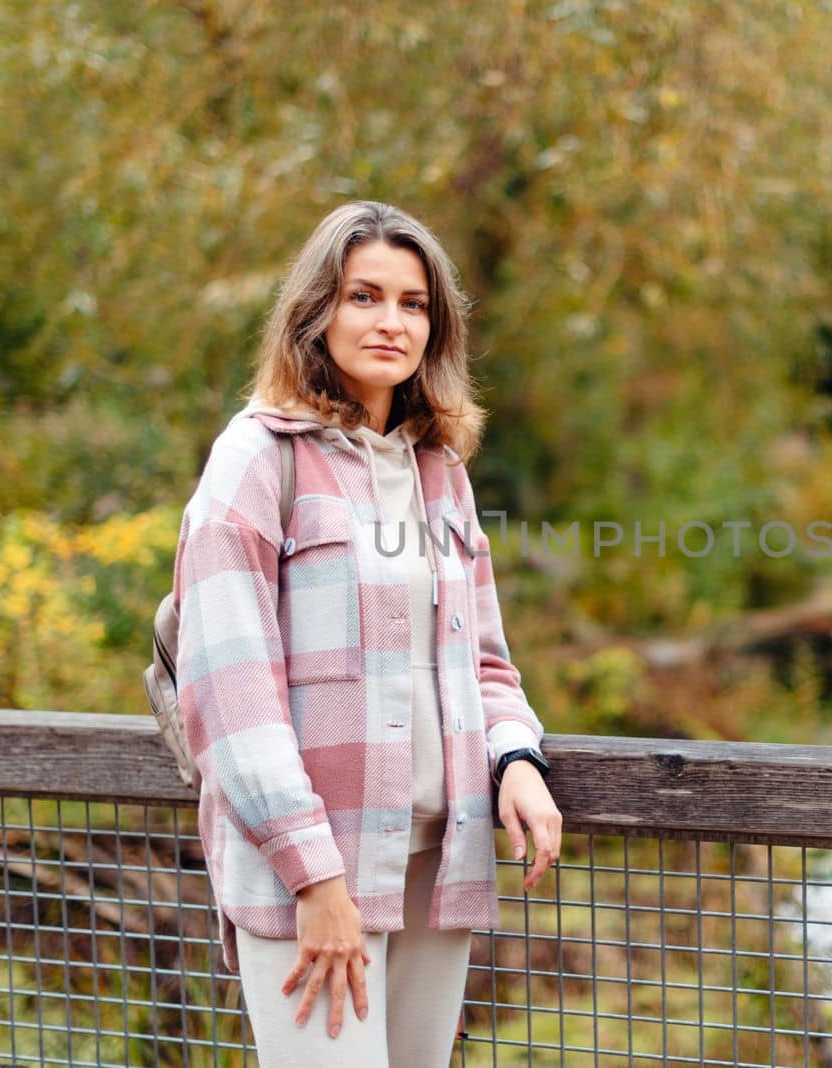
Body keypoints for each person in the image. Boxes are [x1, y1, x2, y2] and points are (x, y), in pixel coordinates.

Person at [171, 200, 562, 1065]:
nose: (391, 321)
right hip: (315, 868)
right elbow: (229, 695)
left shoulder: (441, 473)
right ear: (318, 311)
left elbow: (485, 663)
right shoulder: (256, 458)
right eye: (364, 296)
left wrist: (518, 759)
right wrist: (314, 876)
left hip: (438, 863)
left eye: (414, 303)